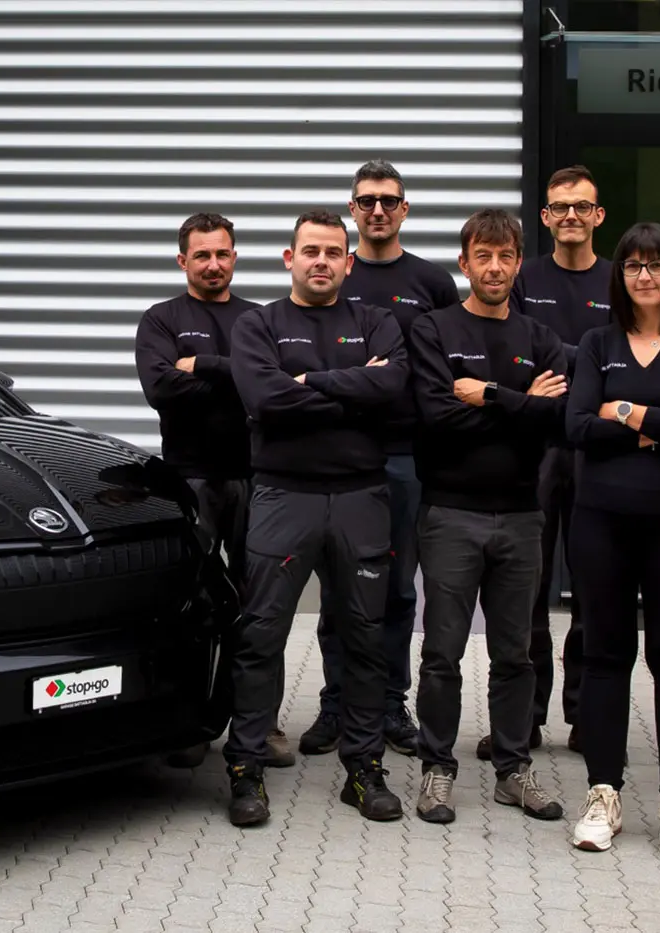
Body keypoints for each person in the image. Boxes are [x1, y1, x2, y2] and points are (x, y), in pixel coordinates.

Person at [224, 209, 409, 826]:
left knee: (364, 638)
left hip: (361, 499)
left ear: (349, 261)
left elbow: (393, 389)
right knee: (260, 634)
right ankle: (246, 769)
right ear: (289, 258)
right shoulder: (258, 325)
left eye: (334, 251)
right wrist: (351, 388)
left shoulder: (376, 321)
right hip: (283, 497)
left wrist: (308, 381)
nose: (322, 261)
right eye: (311, 251)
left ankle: (363, 769)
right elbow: (264, 398)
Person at [565, 222, 660, 858]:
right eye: (633, 265)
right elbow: (577, 424)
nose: (645, 275)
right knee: (604, 657)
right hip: (600, 521)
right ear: (620, 275)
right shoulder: (596, 344)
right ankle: (604, 796)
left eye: (657, 264)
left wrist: (623, 411)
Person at [408, 208, 568, 824]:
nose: (495, 267)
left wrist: (490, 395)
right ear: (466, 262)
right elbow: (435, 417)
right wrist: (525, 406)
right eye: (484, 256)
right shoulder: (433, 329)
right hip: (450, 512)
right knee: (442, 652)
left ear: (518, 263)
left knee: (517, 652)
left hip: (523, 515)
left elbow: (558, 419)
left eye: (505, 257)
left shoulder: (540, 337)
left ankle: (512, 769)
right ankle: (437, 769)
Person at [301, 159, 460, 760]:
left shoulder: (432, 283)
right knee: (340, 588)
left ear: (405, 209)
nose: (376, 210)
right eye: (365, 200)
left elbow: (449, 367)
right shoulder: (332, 276)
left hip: (405, 458)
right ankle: (336, 703)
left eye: (388, 200)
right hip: (336, 456)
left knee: (395, 589)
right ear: (352, 208)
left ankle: (391, 704)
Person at [134, 212, 294, 771]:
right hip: (190, 479)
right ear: (183, 260)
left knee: (261, 607)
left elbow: (270, 385)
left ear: (235, 256)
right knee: (192, 605)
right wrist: (239, 377)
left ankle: (260, 722)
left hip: (258, 478)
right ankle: (189, 723)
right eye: (201, 255)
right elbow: (161, 388)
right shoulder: (160, 319)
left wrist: (203, 364)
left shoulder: (259, 317)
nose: (213, 264)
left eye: (222, 253)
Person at [478, 164, 613, 761]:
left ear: (598, 215)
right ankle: (524, 720)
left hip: (599, 453)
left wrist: (563, 368)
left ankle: (587, 718)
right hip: (532, 452)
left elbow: (622, 362)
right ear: (545, 217)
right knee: (524, 592)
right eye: (560, 208)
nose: (571, 218)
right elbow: (508, 357)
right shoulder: (522, 278)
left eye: (582, 207)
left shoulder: (618, 281)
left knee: (594, 589)